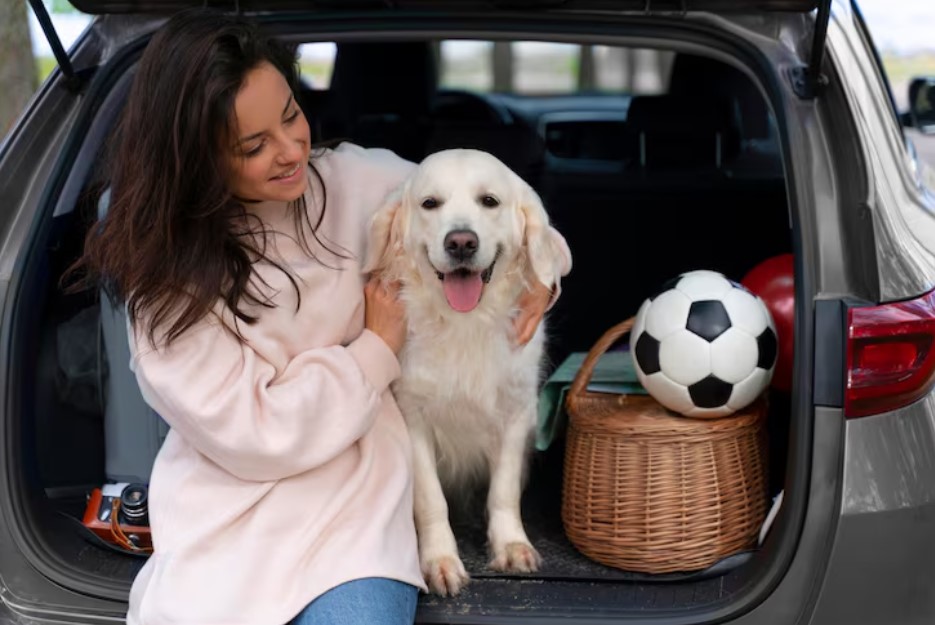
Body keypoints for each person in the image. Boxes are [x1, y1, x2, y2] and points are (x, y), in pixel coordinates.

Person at [66, 8, 570, 625]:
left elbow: (490, 210)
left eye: (290, 116)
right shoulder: (165, 285)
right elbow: (256, 435)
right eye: (254, 146)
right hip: (232, 516)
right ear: (196, 159)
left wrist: (543, 279)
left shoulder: (360, 181)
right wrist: (375, 351)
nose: (290, 152)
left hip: (360, 514)